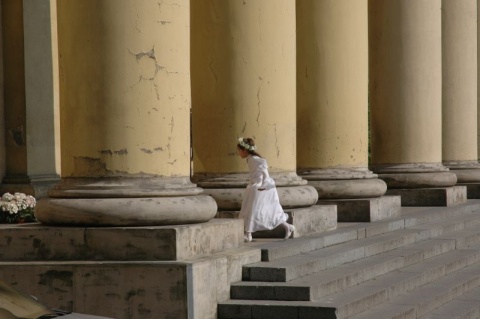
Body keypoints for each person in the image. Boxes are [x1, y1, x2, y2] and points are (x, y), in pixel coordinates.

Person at [237, 137, 295, 243]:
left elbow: (263, 171)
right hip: (259, 186)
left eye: (239, 151)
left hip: (261, 188)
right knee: (267, 211)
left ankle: (248, 234)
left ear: (244, 150)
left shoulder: (254, 159)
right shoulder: (250, 158)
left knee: (252, 209)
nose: (238, 153)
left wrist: (261, 184)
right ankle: (288, 226)